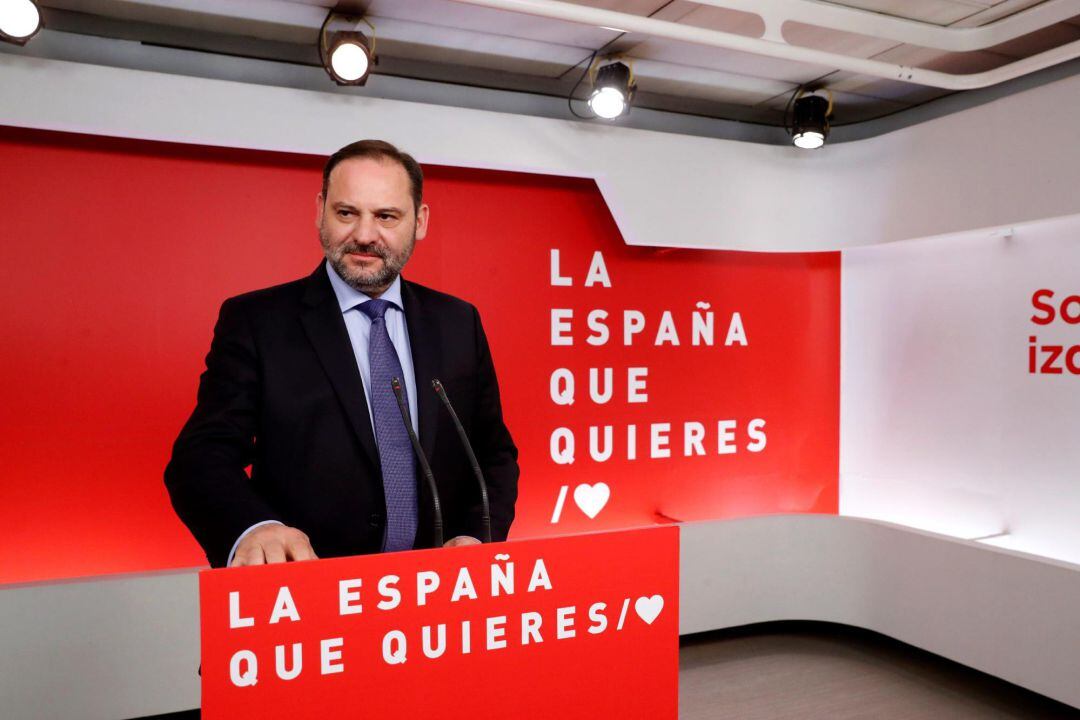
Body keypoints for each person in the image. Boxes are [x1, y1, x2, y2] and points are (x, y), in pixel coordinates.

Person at [164, 140, 519, 568]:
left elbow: (493, 454)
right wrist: (255, 528)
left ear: (420, 221)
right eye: (346, 213)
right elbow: (201, 458)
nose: (364, 235)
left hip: (436, 596)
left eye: (386, 216)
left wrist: (475, 536)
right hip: (307, 594)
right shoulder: (258, 322)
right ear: (320, 211)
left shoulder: (458, 322)